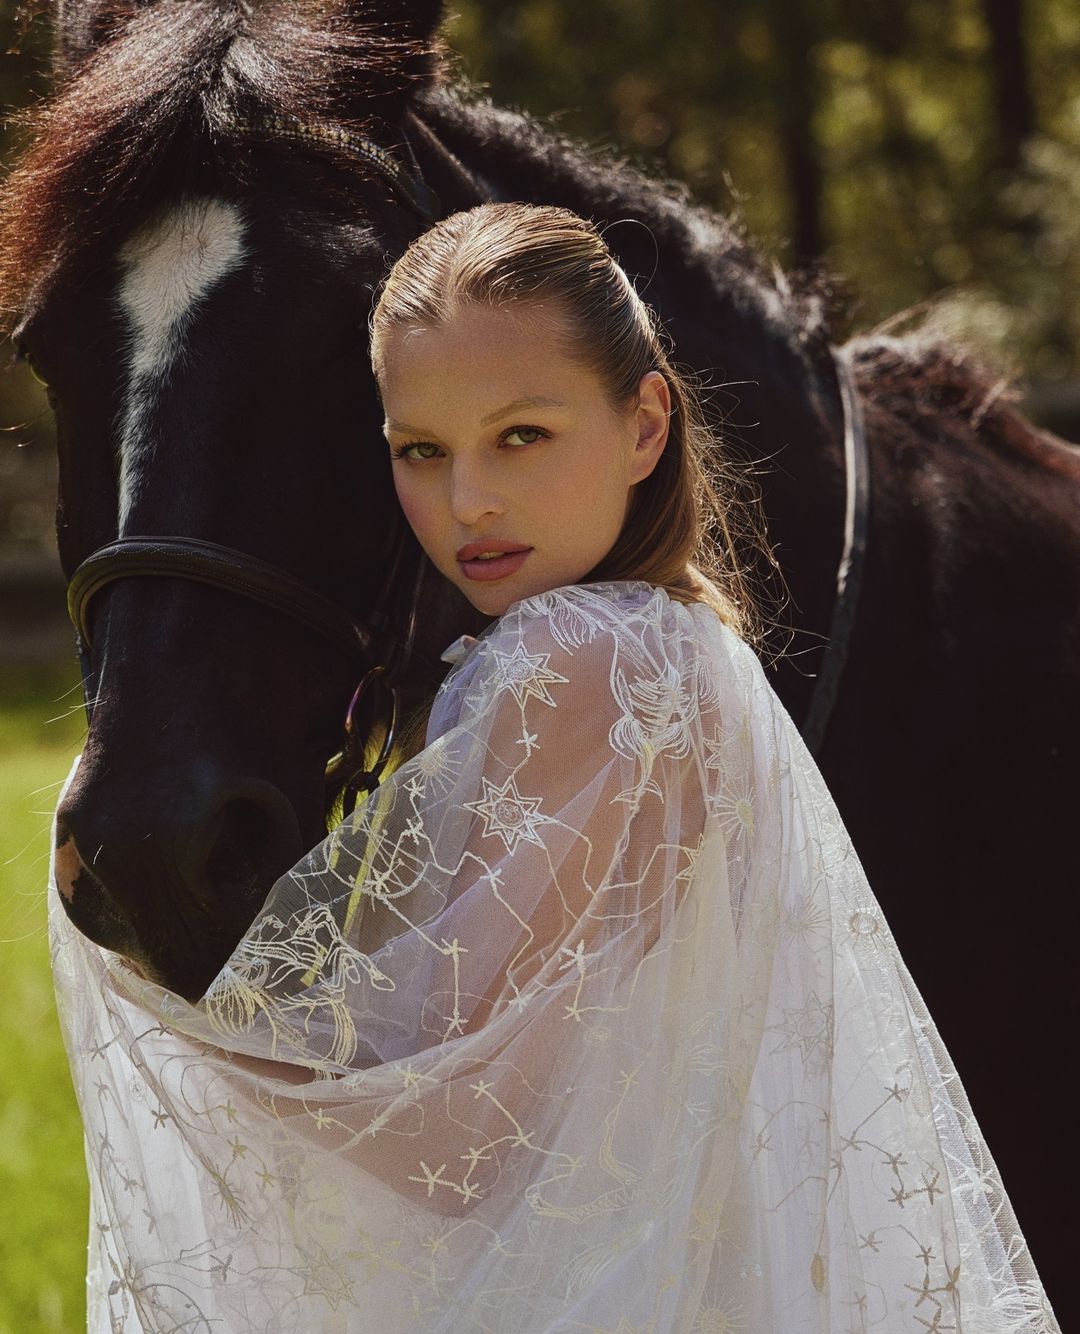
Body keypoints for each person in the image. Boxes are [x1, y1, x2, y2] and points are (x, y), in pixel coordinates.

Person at [49, 204, 1059, 1333]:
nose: (468, 501)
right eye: (420, 450)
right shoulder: (672, 641)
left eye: (521, 435)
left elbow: (463, 1136)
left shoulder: (576, 661)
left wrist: (162, 1002)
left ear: (645, 425)